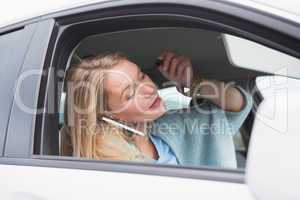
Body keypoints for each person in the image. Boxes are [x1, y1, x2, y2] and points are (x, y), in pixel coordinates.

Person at [61, 50, 252, 168]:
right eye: (130, 93)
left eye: (142, 76)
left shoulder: (173, 127)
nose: (149, 89)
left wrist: (192, 84)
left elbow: (237, 106)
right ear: (108, 115)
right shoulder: (110, 168)